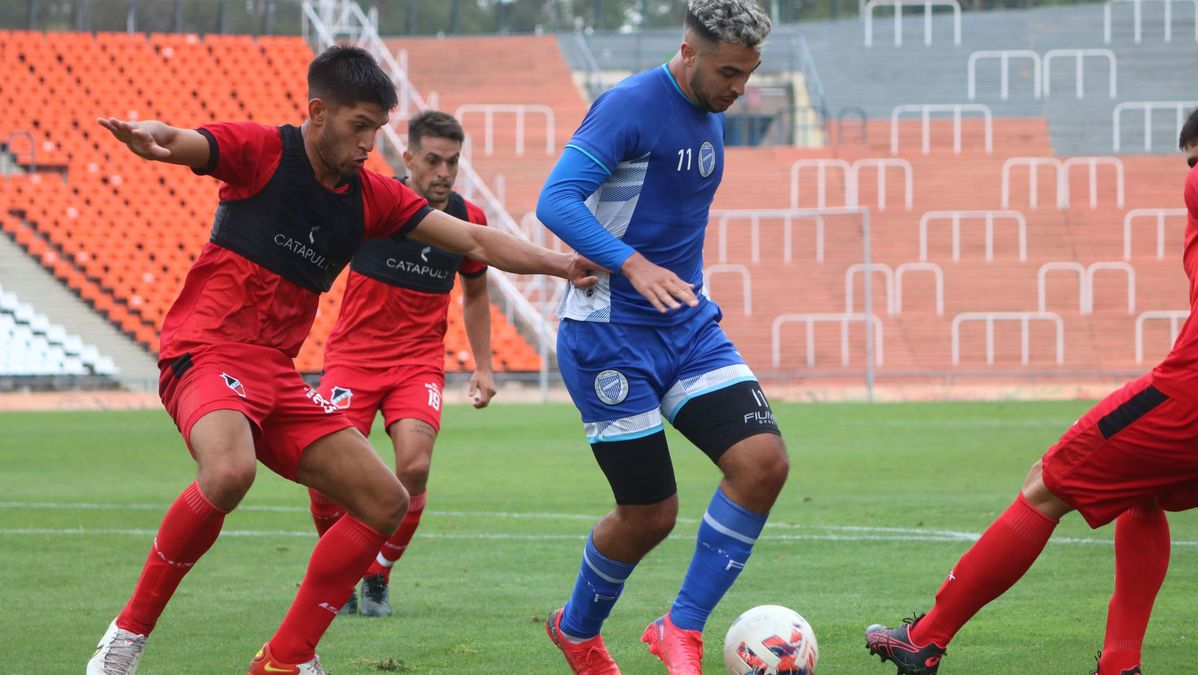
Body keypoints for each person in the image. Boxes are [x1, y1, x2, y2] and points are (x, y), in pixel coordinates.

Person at [86, 46, 598, 675]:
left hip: (275, 373)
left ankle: (286, 658)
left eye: (377, 130)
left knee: (385, 499)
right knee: (228, 473)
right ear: (318, 112)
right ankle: (126, 638)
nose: (367, 144)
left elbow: (472, 240)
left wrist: (562, 263)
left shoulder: (371, 196)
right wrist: (154, 139)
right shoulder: (263, 150)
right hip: (206, 347)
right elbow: (186, 142)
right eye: (359, 127)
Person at [865, 106, 1198, 675]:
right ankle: (1120, 663)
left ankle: (925, 637)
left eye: (1193, 160)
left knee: (1046, 485)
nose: (1188, 176)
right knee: (1140, 495)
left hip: (1189, 394)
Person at [534, 2, 786, 673]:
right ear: (688, 52)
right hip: (609, 336)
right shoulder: (629, 104)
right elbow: (555, 199)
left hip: (686, 325)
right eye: (729, 72)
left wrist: (681, 284)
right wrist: (631, 263)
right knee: (650, 513)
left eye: (749, 72)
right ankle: (577, 630)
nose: (740, 87)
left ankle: (681, 627)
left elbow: (676, 219)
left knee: (763, 462)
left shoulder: (711, 112)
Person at [305, 110, 496, 618]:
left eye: (452, 162)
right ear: (407, 157)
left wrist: (485, 366)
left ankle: (377, 575)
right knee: (326, 475)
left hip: (416, 365)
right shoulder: (370, 201)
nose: (443, 172)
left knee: (414, 466)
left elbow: (477, 295)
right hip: (352, 360)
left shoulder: (468, 221)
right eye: (432, 160)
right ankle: (337, 568)